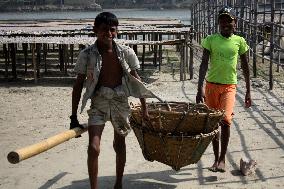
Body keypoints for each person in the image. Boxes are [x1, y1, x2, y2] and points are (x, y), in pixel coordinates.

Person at [70, 12, 154, 189]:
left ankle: (118, 183)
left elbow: (137, 81)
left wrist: (145, 108)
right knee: (94, 148)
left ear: (117, 31)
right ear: (95, 30)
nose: (108, 33)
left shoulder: (126, 53)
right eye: (103, 30)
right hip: (98, 102)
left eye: (112, 30)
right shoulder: (87, 54)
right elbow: (78, 85)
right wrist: (73, 117)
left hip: (120, 101)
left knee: (119, 143)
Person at [196, 6, 252, 172]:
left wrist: (248, 90)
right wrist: (200, 88)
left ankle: (222, 159)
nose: (225, 23)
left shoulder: (239, 41)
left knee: (226, 121)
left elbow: (245, 66)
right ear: (218, 22)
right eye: (222, 20)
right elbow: (204, 64)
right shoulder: (211, 39)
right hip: (211, 86)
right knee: (213, 123)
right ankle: (215, 159)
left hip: (229, 87)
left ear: (235, 22)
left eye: (229, 20)